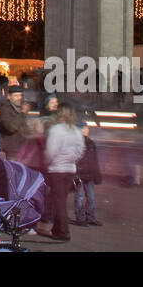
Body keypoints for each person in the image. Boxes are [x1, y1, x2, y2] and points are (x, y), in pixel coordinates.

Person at [43, 103, 85, 242]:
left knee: (58, 201)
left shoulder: (56, 130)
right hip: (70, 169)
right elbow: (81, 151)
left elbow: (51, 151)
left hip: (57, 169)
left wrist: (48, 161)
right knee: (62, 199)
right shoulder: (76, 130)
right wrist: (72, 160)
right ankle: (57, 228)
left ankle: (63, 232)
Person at [74, 119, 102, 227]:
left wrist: (96, 174)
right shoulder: (76, 142)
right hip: (80, 174)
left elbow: (94, 160)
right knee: (80, 196)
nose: (87, 130)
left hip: (89, 174)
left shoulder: (90, 143)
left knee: (91, 197)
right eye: (84, 128)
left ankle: (90, 217)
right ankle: (80, 218)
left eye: (87, 128)